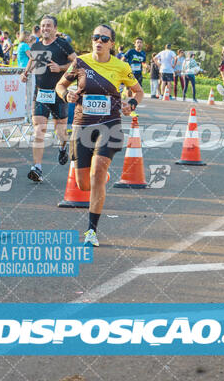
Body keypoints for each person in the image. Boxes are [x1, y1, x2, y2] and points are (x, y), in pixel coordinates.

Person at [56, 24, 144, 247]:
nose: (99, 41)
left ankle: (91, 232)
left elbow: (138, 91)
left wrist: (131, 104)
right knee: (84, 184)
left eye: (104, 39)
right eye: (96, 37)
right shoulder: (80, 62)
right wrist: (67, 94)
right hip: (82, 125)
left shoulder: (121, 67)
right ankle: (100, 180)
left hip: (110, 125)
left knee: (97, 171)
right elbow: (60, 85)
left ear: (112, 44)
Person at [20, 15, 76, 183]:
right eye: (43, 26)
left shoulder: (62, 45)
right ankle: (37, 167)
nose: (45, 28)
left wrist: (61, 67)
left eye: (48, 26)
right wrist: (26, 72)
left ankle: (63, 146)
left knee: (60, 131)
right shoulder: (36, 44)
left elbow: (77, 62)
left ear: (55, 28)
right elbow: (32, 59)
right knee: (39, 129)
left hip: (59, 94)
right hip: (41, 94)